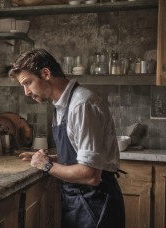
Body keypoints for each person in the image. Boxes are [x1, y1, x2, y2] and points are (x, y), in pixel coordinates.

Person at [9, 49, 125, 228]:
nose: (26, 92)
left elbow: (90, 175)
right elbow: (77, 155)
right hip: (78, 201)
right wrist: (48, 158)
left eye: (28, 83)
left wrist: (46, 165)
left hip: (95, 204)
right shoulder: (61, 106)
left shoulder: (82, 105)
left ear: (46, 73)